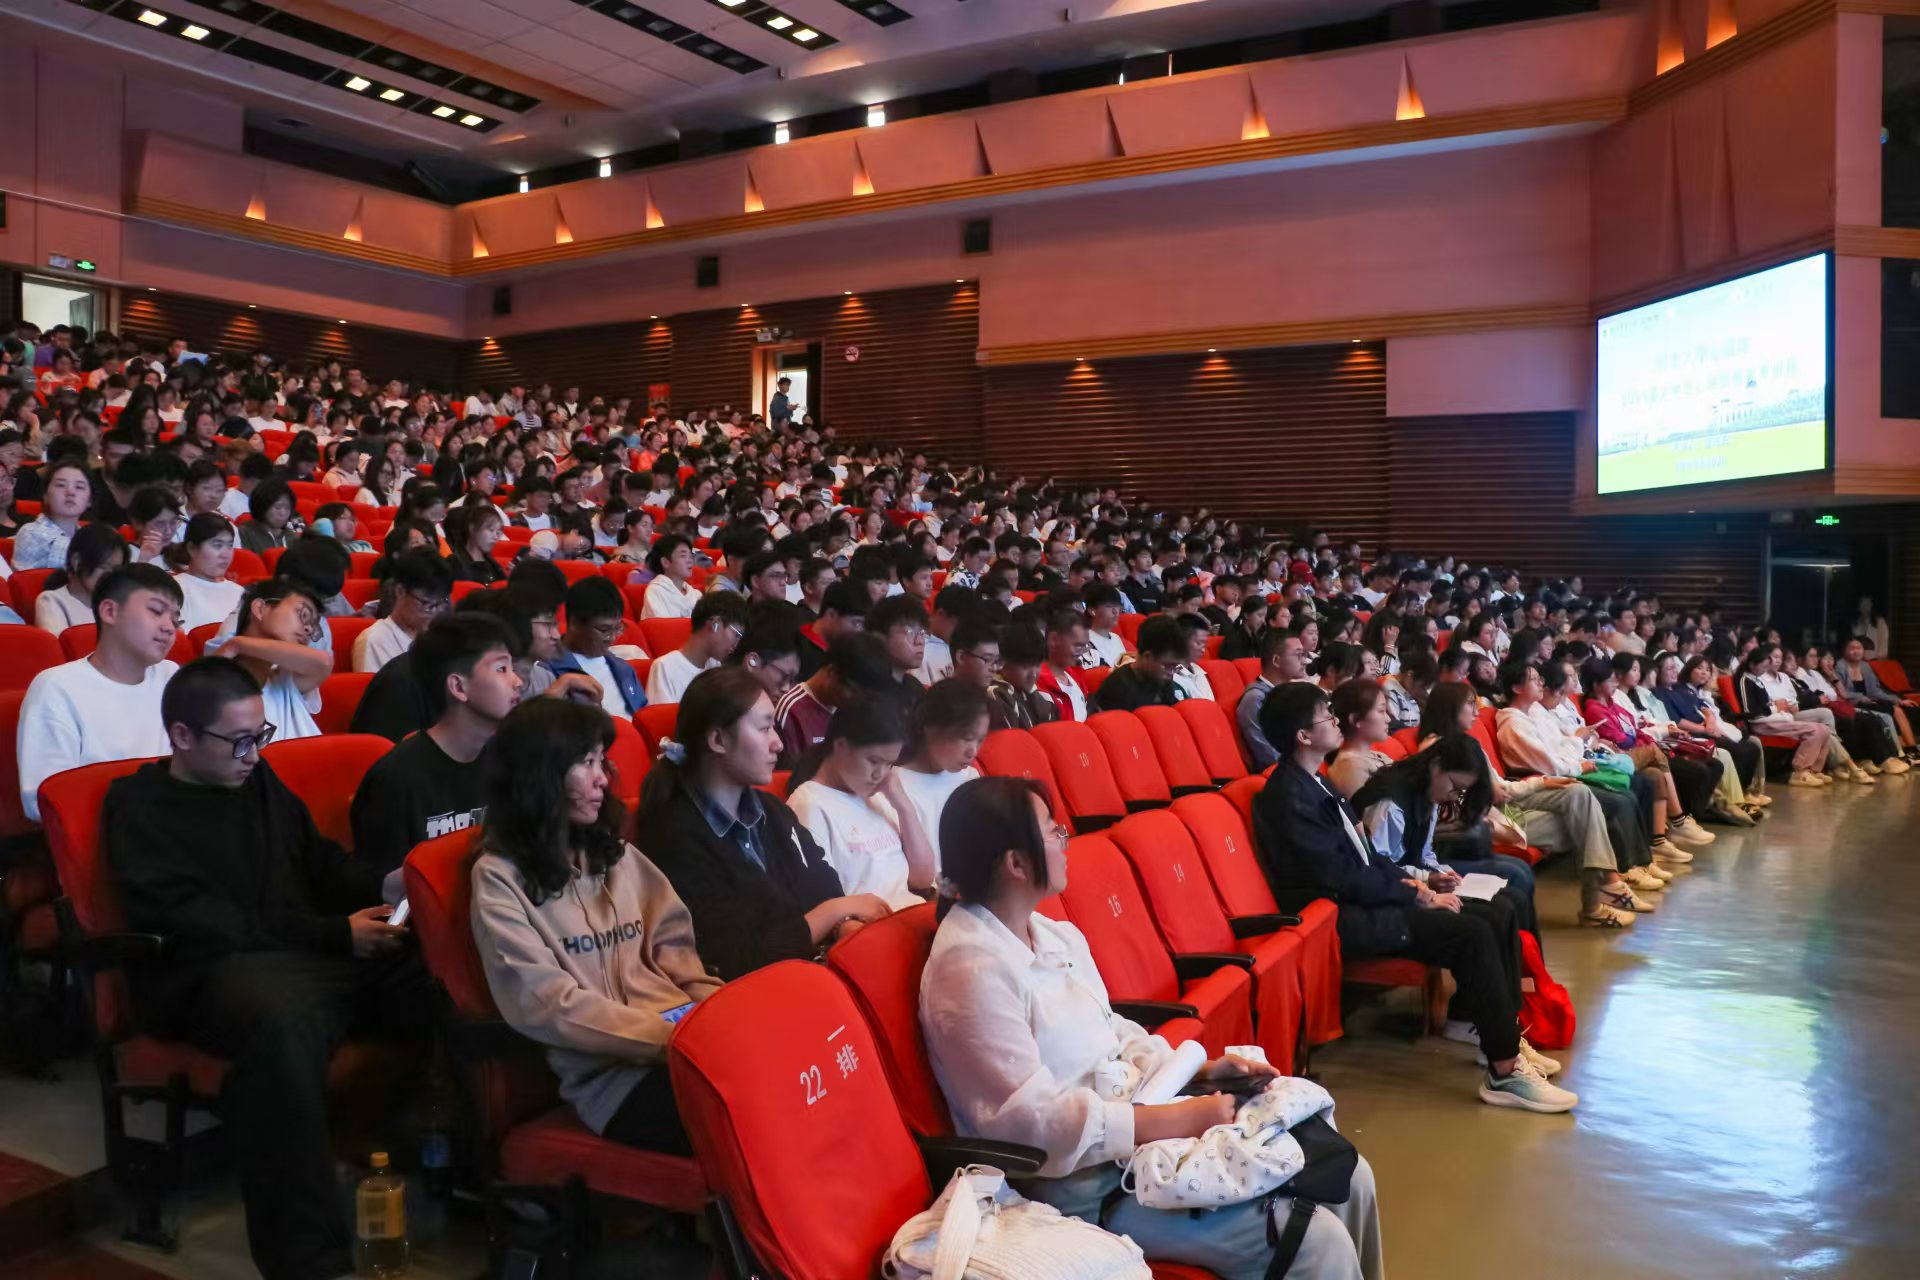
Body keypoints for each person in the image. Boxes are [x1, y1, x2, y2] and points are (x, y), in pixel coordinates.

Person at [920, 774, 1385, 1279]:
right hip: (1082, 1185)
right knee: (1316, 1241)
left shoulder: (1052, 933)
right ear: (1016, 863)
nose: (1064, 840)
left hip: (1140, 1138)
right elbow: (1028, 1124)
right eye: (1053, 831)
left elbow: (1111, 1030)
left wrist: (1197, 1074)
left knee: (1349, 1175)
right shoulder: (969, 968)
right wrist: (1175, 1120)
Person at [103, 659, 428, 1280]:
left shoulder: (255, 778)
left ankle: (446, 1159)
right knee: (283, 1027)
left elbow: (319, 863)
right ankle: (306, 1260)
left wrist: (383, 886)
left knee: (430, 970)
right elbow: (202, 923)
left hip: (300, 954)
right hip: (208, 973)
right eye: (239, 741)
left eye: (261, 737)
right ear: (182, 736)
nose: (254, 755)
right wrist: (333, 935)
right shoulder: (139, 807)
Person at [1252, 683, 1573, 1112]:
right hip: (1338, 916)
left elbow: (1369, 857)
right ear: (1303, 735)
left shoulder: (1317, 783)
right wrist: (1414, 895)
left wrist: (1417, 886)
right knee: (1472, 933)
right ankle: (1504, 1070)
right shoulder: (1289, 797)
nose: (1335, 719)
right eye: (1326, 715)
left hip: (1363, 900)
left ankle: (1501, 1038)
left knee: (1494, 914)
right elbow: (1339, 876)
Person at [470, 697, 722, 1152]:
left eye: (601, 761)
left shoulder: (615, 855)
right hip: (616, 1083)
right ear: (541, 774)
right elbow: (549, 1005)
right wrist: (676, 1040)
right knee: (755, 1109)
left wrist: (723, 1017)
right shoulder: (499, 877)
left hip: (689, 1042)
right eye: (586, 763)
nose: (603, 778)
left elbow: (677, 955)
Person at [636, 667, 893, 980]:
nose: (778, 744)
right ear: (718, 739)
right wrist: (832, 913)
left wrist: (840, 924)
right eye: (764, 728)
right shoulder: (674, 835)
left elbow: (823, 882)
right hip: (750, 993)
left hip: (807, 976)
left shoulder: (771, 811)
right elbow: (736, 958)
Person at [350, 612, 523, 876]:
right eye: (502, 669)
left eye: (512, 668)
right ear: (458, 687)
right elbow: (386, 885)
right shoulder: (398, 778)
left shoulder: (507, 762)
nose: (517, 681)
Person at [18, 564, 183, 822]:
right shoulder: (57, 687)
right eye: (156, 611)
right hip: (110, 830)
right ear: (109, 611)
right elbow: (42, 800)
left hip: (177, 819)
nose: (169, 628)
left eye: (175, 619)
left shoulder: (170, 675)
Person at [786, 698, 935, 911]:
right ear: (840, 746)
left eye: (889, 764)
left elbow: (923, 879)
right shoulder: (809, 804)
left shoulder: (880, 793)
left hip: (910, 912)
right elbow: (822, 903)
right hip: (871, 924)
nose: (880, 774)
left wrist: (904, 807)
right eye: (874, 761)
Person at [894, 678, 990, 876]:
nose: (973, 752)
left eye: (980, 740)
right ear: (930, 727)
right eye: (966, 738)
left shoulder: (970, 778)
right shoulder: (894, 786)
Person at [220, 577, 332, 742]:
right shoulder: (217, 672)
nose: (309, 628)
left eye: (313, 626)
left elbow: (323, 662)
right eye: (303, 615)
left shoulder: (286, 679)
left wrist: (238, 644)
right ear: (260, 609)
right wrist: (233, 646)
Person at [773, 632, 894, 769]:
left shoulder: (855, 710)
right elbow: (783, 776)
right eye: (854, 691)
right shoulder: (791, 711)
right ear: (832, 672)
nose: (859, 701)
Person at [1735, 645, 1852, 786]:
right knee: (1815, 731)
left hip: (1776, 718)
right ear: (1752, 664)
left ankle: (1814, 770)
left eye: (1766, 667)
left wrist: (1775, 707)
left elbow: (1767, 703)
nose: (1764, 670)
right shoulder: (1745, 680)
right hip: (1763, 723)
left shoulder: (1756, 679)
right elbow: (1751, 712)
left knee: (1824, 729)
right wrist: (1775, 708)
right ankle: (1800, 770)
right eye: (1763, 666)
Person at [543, 576, 648, 717]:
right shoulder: (547, 669)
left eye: (617, 628)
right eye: (604, 630)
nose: (611, 638)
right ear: (575, 623)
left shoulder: (625, 670)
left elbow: (643, 718)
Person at [352, 546, 453, 673]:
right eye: (426, 603)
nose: (434, 612)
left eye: (440, 604)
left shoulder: (439, 638)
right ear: (400, 591)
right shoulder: (375, 641)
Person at [645, 589, 747, 704]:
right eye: (737, 635)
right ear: (715, 624)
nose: (736, 644)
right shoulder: (665, 668)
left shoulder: (715, 665)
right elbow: (661, 714)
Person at [33, 522, 128, 636]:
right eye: (103, 566)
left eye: (115, 570)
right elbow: (60, 644)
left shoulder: (115, 606)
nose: (110, 575)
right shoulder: (51, 600)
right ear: (76, 561)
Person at [1236, 626, 1310, 771]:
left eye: (1304, 654)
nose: (1305, 661)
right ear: (1276, 660)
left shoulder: (1292, 692)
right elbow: (1268, 754)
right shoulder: (1256, 699)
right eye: (1298, 655)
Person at [1089, 614, 1186, 713]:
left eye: (1175, 667)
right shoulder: (1117, 689)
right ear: (1147, 656)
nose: (1171, 672)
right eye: (1167, 666)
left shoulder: (1163, 682)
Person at [168, 513, 247, 631]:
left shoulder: (240, 593)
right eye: (217, 545)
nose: (226, 555)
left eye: (230, 545)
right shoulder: (173, 588)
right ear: (191, 548)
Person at [12, 456, 90, 570]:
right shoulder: (30, 533)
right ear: (45, 495)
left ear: (90, 500)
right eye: (61, 485)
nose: (71, 492)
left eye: (79, 487)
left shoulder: (87, 537)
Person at [640, 533, 701, 619]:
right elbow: (663, 626)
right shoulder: (655, 591)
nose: (690, 560)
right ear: (665, 562)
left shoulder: (696, 595)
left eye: (690, 556)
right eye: (683, 556)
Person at [239, 478, 300, 555]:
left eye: (287, 508)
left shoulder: (291, 537)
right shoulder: (244, 533)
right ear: (262, 506)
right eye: (278, 507)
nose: (283, 513)